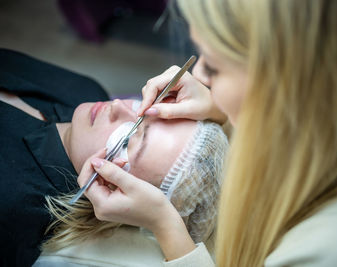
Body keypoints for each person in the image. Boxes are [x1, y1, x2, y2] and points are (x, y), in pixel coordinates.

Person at [78, 0, 337, 266]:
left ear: (286, 83)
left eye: (215, 66)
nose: (199, 73)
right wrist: (225, 109)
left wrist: (167, 226)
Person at [0, 48, 228, 266]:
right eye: (145, 107)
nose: (118, 105)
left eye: (126, 139)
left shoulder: (11, 207)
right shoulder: (85, 90)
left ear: (113, 187)